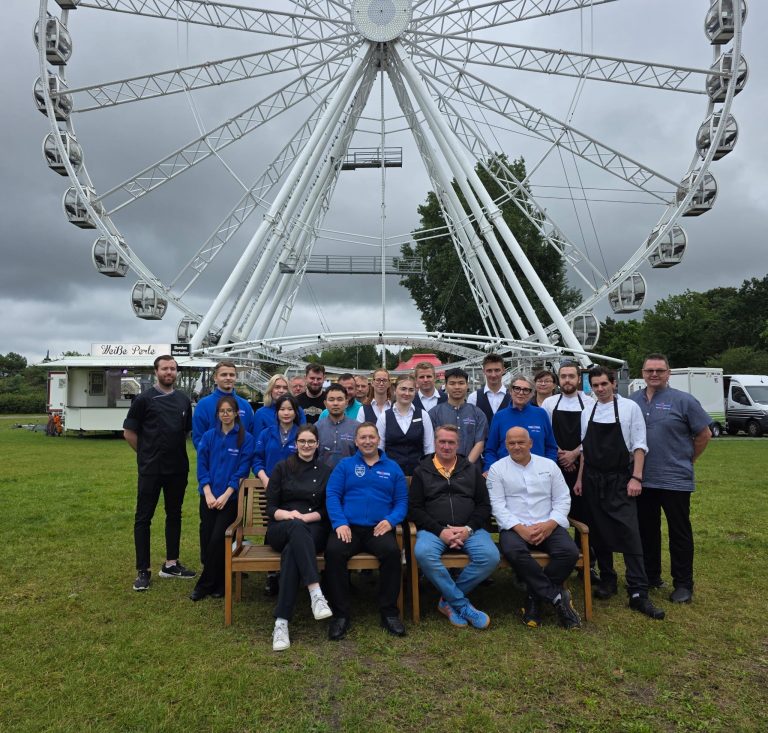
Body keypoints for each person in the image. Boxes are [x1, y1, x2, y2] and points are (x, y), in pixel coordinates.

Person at [574, 367, 665, 620]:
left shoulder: (628, 409)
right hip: (592, 480)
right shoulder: (587, 411)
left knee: (629, 533)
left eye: (604, 384)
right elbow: (584, 450)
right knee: (599, 532)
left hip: (619, 479)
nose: (600, 389)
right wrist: (580, 479)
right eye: (596, 385)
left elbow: (639, 445)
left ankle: (638, 591)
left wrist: (636, 477)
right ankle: (608, 579)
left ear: (613, 384)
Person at [629, 353, 712, 604]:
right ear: (642, 373)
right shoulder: (632, 402)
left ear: (669, 373)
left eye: (660, 370)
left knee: (679, 533)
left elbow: (704, 434)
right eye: (649, 370)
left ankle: (683, 584)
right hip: (642, 479)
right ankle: (651, 575)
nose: (654, 374)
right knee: (646, 531)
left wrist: (688, 460)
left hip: (674, 480)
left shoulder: (684, 401)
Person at [487, 427, 581, 629]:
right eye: (511, 443)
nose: (516, 446)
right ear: (506, 445)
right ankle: (556, 596)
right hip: (514, 527)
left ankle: (534, 597)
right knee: (513, 550)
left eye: (521, 442)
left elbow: (563, 498)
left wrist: (550, 524)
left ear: (530, 443)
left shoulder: (549, 466)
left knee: (569, 552)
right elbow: (498, 507)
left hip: (548, 523)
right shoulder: (497, 469)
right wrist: (521, 529)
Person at [324, 422, 409, 640]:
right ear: (356, 441)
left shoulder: (393, 468)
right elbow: (332, 495)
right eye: (363, 437)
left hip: (378, 529)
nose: (367, 441)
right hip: (348, 528)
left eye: (371, 437)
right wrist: (340, 522)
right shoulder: (344, 466)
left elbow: (401, 501)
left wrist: (391, 521)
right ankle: (341, 615)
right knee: (333, 553)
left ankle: (389, 613)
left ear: (379, 440)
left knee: (392, 554)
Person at [409, 425, 499, 629]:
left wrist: (467, 529)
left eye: (451, 442)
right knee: (423, 553)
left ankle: (447, 601)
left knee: (490, 556)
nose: (446, 446)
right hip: (434, 530)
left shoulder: (470, 469)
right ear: (435, 443)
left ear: (458, 445)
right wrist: (441, 531)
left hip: (469, 529)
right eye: (442, 441)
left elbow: (484, 505)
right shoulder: (422, 471)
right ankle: (461, 604)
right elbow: (414, 509)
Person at [123, 355, 196, 591]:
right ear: (156, 372)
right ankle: (143, 570)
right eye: (165, 368)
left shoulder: (184, 401)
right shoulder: (143, 400)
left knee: (174, 514)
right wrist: (145, 455)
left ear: (177, 373)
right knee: (143, 518)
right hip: (151, 470)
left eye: (173, 369)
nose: (169, 372)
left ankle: (171, 564)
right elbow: (129, 433)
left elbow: (185, 432)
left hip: (177, 469)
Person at [265, 424, 333, 651]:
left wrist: (306, 518)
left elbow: (326, 510)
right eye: (302, 441)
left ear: (317, 445)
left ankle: (281, 622)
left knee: (292, 551)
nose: (306, 446)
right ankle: (315, 590)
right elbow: (271, 507)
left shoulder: (325, 471)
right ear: (296, 444)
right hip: (281, 527)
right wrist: (291, 515)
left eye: (310, 442)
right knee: (295, 528)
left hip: (313, 527)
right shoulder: (282, 468)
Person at [190, 395, 255, 602]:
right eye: (222, 411)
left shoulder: (246, 439)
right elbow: (202, 466)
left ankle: (204, 584)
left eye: (230, 411)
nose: (226, 415)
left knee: (219, 539)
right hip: (208, 497)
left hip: (231, 498)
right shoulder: (209, 436)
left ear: (237, 413)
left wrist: (227, 495)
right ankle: (219, 582)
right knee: (208, 539)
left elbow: (242, 471)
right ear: (217, 414)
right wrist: (208, 492)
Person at [542, 362, 596, 576]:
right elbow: (547, 433)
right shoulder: (549, 403)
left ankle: (587, 565)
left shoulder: (590, 403)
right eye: (563, 376)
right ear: (558, 379)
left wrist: (575, 453)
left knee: (584, 514)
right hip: (555, 465)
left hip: (582, 464)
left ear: (578, 378)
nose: (567, 380)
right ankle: (556, 558)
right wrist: (561, 454)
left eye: (571, 376)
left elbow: (592, 434)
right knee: (553, 512)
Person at [483, 375, 558, 472]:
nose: (521, 393)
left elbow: (551, 447)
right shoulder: (499, 416)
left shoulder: (541, 414)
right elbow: (490, 450)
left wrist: (549, 469)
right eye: (517, 389)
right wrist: (491, 469)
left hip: (538, 473)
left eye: (526, 390)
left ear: (532, 394)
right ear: (510, 391)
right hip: (506, 474)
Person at [376, 375, 435, 476]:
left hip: (418, 474)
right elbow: (379, 449)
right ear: (395, 390)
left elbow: (429, 448)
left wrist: (427, 471)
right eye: (403, 389)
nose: (407, 393)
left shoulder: (423, 415)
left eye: (411, 390)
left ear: (415, 392)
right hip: (390, 474)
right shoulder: (384, 416)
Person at [427, 368, 487, 463]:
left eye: (461, 383)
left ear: (467, 385)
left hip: (471, 469)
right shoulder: (434, 413)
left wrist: (465, 467)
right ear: (446, 386)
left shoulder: (478, 413)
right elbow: (430, 443)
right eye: (452, 383)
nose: (457, 387)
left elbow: (479, 443)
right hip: (441, 468)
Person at [192, 360, 255, 449]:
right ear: (215, 378)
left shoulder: (245, 406)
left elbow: (251, 437)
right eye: (224, 374)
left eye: (232, 375)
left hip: (241, 461)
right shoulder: (203, 405)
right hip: (213, 460)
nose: (228, 378)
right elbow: (198, 439)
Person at [253, 394, 302, 486]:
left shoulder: (301, 434)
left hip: (294, 489)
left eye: (290, 409)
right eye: (282, 409)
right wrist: (265, 479)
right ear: (277, 412)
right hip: (267, 485)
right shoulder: (265, 434)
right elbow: (257, 460)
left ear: (296, 412)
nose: (286, 413)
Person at [315, 384, 358, 469]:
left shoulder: (357, 428)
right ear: (325, 404)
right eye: (331, 400)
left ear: (346, 403)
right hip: (322, 478)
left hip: (349, 476)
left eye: (340, 399)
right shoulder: (316, 428)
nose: (335, 403)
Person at [468, 353, 510, 425]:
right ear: (483, 371)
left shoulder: (513, 397)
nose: (493, 375)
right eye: (489, 371)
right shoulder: (473, 397)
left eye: (497, 370)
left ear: (503, 370)